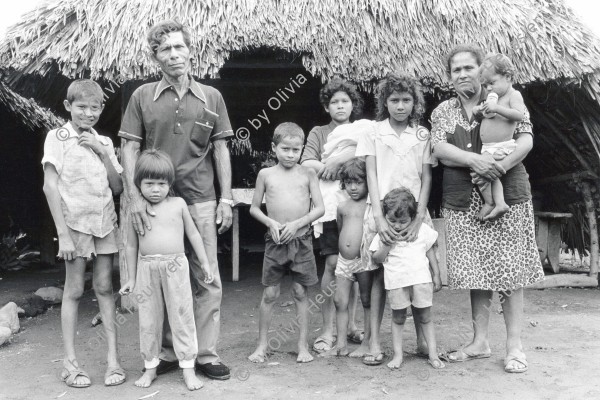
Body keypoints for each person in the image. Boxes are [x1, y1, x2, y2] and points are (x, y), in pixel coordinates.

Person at [119, 20, 233, 379]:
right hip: (155, 202)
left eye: (179, 47)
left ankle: (205, 354)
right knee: (159, 275)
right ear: (156, 57)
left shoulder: (211, 97)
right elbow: (129, 148)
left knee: (206, 274)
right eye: (165, 49)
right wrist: (135, 198)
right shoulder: (142, 96)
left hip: (200, 197)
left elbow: (221, 149)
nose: (173, 54)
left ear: (190, 49)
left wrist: (226, 199)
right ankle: (169, 352)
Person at [430, 44, 544, 373]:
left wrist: (500, 166)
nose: (463, 74)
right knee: (478, 270)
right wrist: (475, 160)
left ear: (482, 71)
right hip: (464, 198)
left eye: (469, 68)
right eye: (456, 70)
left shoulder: (504, 96)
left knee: (509, 269)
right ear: (449, 77)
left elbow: (526, 138)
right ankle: (480, 341)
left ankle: (514, 346)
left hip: (507, 191)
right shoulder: (444, 111)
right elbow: (439, 147)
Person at [42, 79, 125, 388]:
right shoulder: (57, 137)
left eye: (94, 108)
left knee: (104, 287)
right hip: (74, 224)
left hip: (105, 221)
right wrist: (62, 235)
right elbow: (50, 186)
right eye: (81, 107)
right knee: (75, 289)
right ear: (68, 106)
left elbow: (117, 187)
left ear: (101, 109)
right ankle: (71, 363)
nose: (88, 113)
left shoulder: (104, 141)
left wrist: (103, 154)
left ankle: (113, 361)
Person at [355, 73, 436, 366]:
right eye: (394, 100)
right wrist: (378, 216)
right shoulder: (373, 132)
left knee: (416, 272)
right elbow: (372, 174)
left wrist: (418, 219)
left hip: (414, 214)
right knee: (379, 275)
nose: (400, 106)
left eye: (406, 100)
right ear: (384, 102)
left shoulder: (423, 134)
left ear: (414, 102)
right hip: (381, 212)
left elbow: (426, 178)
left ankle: (422, 341)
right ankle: (375, 343)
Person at [120, 150, 212, 391]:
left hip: (176, 266)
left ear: (170, 183)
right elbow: (130, 245)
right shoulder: (135, 209)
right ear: (138, 183)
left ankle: (188, 369)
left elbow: (193, 234)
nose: (155, 189)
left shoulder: (178, 204)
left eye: (162, 184)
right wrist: (130, 278)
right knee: (148, 320)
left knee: (182, 316)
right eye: (149, 184)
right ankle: (150, 367)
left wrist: (204, 262)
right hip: (147, 268)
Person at [248, 123, 325, 364]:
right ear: (274, 148)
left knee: (301, 292)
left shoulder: (308, 173)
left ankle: (302, 346)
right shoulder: (266, 174)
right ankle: (262, 346)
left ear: (302, 149)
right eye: (285, 149)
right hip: (276, 241)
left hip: (301, 240)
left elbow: (320, 208)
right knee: (270, 293)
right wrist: (271, 223)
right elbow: (253, 208)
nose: (290, 155)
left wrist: (297, 224)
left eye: (296, 150)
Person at [301, 78, 365, 353]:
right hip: (329, 207)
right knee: (331, 264)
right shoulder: (319, 132)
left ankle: (350, 325)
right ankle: (327, 329)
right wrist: (332, 163)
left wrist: (339, 163)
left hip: (357, 205)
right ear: (327, 107)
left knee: (357, 264)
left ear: (353, 105)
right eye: (334, 102)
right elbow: (306, 162)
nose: (340, 106)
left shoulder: (362, 131)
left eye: (345, 101)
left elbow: (365, 160)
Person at [369, 188, 444, 370]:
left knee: (425, 317)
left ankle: (433, 354)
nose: (397, 225)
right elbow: (376, 259)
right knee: (398, 318)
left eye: (403, 221)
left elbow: (430, 252)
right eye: (392, 220)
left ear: (412, 218)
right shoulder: (384, 235)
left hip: (420, 280)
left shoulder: (422, 231)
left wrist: (436, 274)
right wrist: (387, 245)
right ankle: (398, 355)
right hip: (396, 283)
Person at [319, 158, 374, 358]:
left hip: (364, 261)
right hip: (344, 261)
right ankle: (340, 344)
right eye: (349, 183)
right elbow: (342, 230)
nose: (353, 187)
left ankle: (367, 342)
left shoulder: (371, 206)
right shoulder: (342, 206)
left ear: (368, 182)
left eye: (358, 182)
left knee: (367, 300)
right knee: (339, 301)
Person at [472, 53, 526, 221]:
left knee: (485, 172)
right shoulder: (492, 98)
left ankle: (493, 202)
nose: (488, 88)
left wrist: (496, 108)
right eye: (485, 85)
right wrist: (478, 112)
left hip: (501, 146)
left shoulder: (513, 95)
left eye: (492, 83)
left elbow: (519, 115)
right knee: (483, 173)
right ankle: (497, 202)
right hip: (489, 147)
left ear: (508, 77)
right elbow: (483, 119)